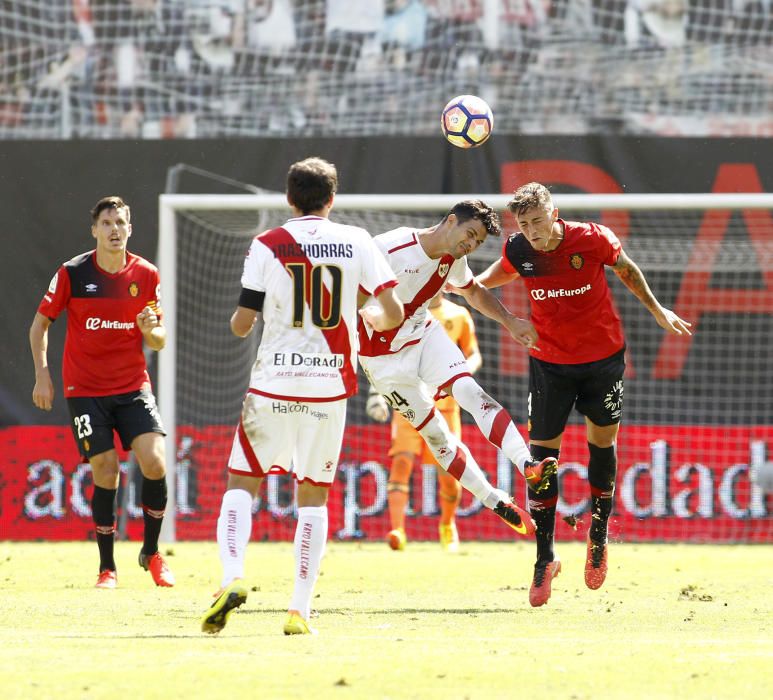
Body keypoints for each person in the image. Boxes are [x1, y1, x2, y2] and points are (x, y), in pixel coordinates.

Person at [200, 157, 403, 636]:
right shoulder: (357, 241)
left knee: (240, 485)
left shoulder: (267, 244)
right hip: (330, 385)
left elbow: (241, 323)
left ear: (289, 198)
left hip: (273, 382)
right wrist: (369, 315)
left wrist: (266, 310)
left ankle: (231, 578)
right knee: (313, 498)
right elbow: (391, 311)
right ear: (332, 199)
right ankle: (299, 609)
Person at [477, 181, 692, 607]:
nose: (533, 231)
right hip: (550, 366)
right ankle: (545, 559)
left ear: (555, 214)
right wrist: (495, 310)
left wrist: (658, 310)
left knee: (602, 446)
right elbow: (481, 285)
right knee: (540, 462)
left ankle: (597, 535)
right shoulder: (519, 250)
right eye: (524, 224)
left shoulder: (591, 239)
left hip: (602, 361)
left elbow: (628, 270)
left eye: (538, 221)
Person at [358, 199, 559, 544]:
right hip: (382, 360)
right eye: (469, 235)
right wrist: (366, 314)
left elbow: (474, 292)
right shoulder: (389, 247)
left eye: (478, 242)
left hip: (422, 335)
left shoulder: (455, 259)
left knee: (470, 390)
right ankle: (494, 500)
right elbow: (349, 293)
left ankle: (529, 464)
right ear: (450, 221)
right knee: (436, 437)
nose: (471, 245)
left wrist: (510, 321)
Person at [29, 195, 175, 590]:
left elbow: (159, 339)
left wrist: (150, 330)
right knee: (106, 470)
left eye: (121, 223)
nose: (114, 230)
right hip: (85, 390)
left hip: (131, 387)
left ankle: (152, 552)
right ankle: (107, 568)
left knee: (156, 462)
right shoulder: (73, 273)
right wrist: (43, 375)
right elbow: (39, 326)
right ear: (94, 229)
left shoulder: (146, 274)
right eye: (107, 223)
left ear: (130, 228)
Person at [366, 290, 482, 552]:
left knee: (449, 469)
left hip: (446, 406)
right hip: (407, 403)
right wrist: (379, 393)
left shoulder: (458, 315)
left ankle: (448, 525)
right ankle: (397, 530)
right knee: (401, 461)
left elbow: (474, 354)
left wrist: (460, 373)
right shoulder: (406, 313)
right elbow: (387, 355)